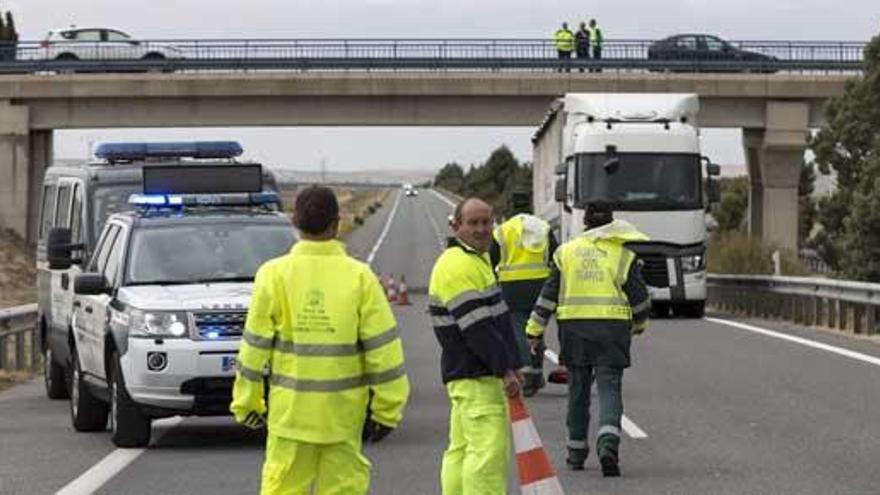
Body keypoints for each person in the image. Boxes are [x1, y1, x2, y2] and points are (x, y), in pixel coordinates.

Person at [231, 185, 410, 495]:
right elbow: (384, 351)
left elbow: (254, 348)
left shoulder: (272, 275)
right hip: (342, 418)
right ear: (337, 223)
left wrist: (247, 403)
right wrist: (386, 411)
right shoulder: (360, 277)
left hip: (290, 419)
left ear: (295, 222)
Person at [525, 202, 650, 477]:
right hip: (612, 331)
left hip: (574, 331)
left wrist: (534, 330)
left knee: (578, 391)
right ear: (612, 223)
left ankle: (576, 452)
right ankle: (608, 444)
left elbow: (547, 297)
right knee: (609, 389)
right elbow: (640, 301)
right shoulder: (623, 255)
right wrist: (639, 325)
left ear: (585, 223)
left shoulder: (565, 253)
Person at [429, 197, 523, 495]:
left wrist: (512, 363)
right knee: (487, 457)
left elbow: (494, 320)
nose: (482, 229)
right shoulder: (459, 265)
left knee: (462, 450)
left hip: (468, 375)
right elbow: (478, 328)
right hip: (477, 375)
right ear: (456, 225)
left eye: (486, 222)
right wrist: (505, 369)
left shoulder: (474, 259)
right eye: (473, 223)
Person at [489, 192, 558, 397]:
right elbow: (556, 257)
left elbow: (491, 261)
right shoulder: (542, 227)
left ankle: (528, 372)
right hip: (541, 285)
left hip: (512, 287)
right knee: (536, 328)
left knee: (519, 328)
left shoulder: (502, 231)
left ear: (510, 208)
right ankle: (536, 375)